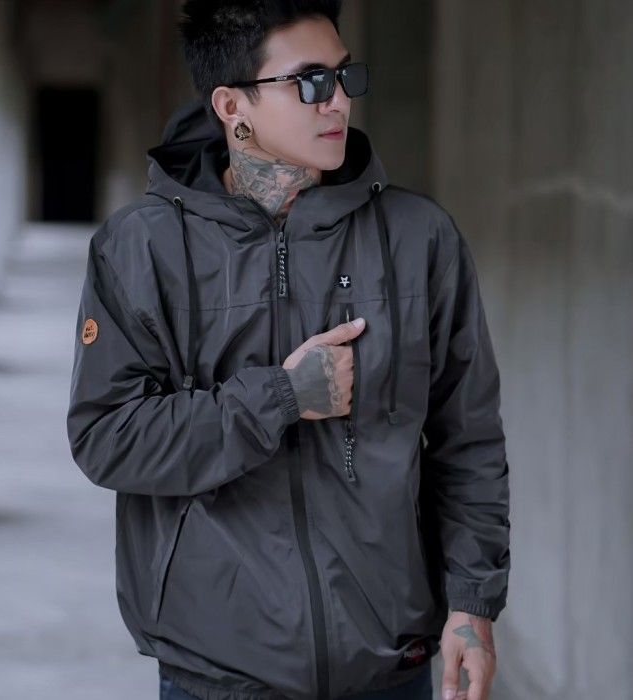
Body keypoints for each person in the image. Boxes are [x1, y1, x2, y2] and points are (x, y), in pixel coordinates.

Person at [65, 1, 511, 699]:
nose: (338, 101)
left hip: (390, 662)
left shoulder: (418, 238)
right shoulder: (141, 248)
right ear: (232, 106)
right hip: (218, 669)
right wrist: (280, 397)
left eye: (343, 75)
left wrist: (472, 604)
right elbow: (107, 437)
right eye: (309, 82)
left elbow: (469, 440)